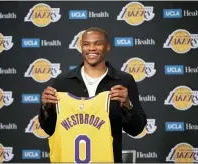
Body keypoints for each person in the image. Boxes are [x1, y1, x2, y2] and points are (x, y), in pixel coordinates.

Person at [39, 27, 147, 163]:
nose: (91, 48)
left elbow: (136, 129)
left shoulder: (124, 81)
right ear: (81, 47)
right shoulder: (62, 81)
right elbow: (49, 129)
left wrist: (127, 106)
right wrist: (46, 108)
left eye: (98, 43)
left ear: (107, 47)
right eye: (86, 44)